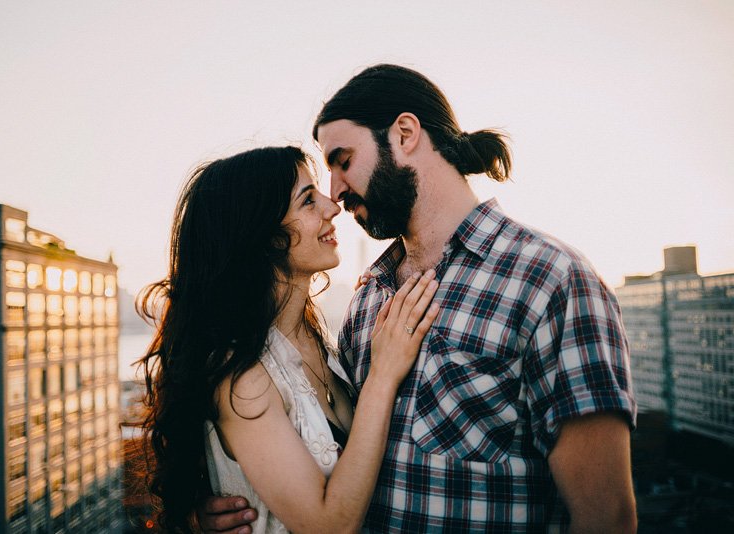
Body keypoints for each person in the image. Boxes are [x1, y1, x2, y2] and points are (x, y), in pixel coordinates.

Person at [204, 65, 638, 533]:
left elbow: (606, 518)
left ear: (405, 133)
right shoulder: (369, 298)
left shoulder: (551, 280)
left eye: (343, 160)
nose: (335, 191)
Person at [137, 145, 441, 533]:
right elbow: (330, 526)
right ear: (262, 235)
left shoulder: (322, 343)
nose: (333, 207)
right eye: (308, 201)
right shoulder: (242, 375)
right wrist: (383, 376)